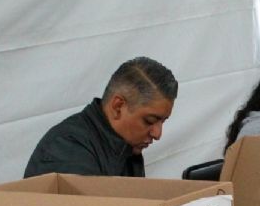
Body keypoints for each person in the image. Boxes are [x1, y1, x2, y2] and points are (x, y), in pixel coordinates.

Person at [24, 56, 178, 178]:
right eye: (149, 121)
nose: (157, 134)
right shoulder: (67, 149)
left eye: (163, 121)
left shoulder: (126, 147)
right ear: (118, 107)